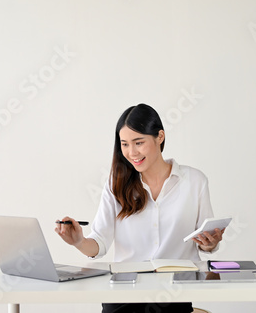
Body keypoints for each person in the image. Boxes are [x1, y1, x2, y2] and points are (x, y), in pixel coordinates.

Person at [56, 103, 224, 313]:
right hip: (124, 294)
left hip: (173, 293)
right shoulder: (116, 184)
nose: (131, 152)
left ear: (160, 136)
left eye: (139, 142)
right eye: (124, 144)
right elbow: (100, 242)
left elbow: (204, 240)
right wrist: (78, 241)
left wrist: (209, 244)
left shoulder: (194, 181)